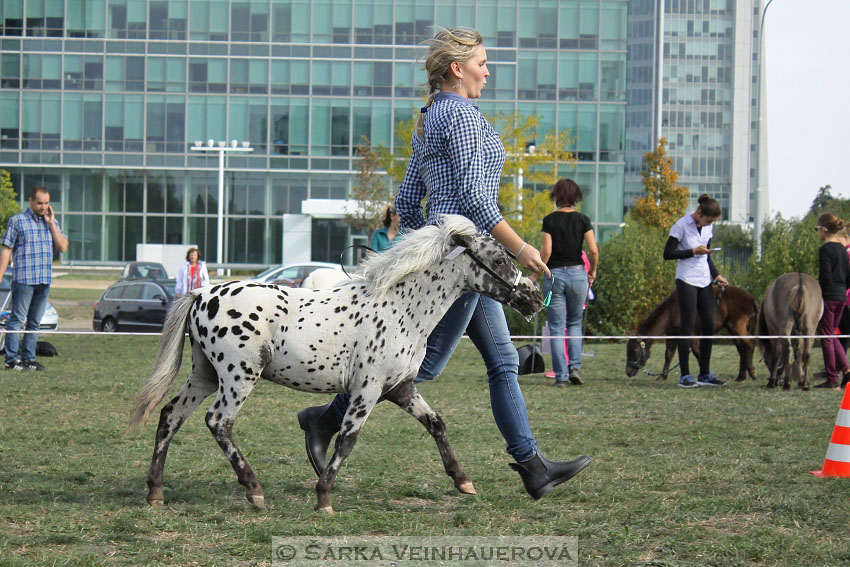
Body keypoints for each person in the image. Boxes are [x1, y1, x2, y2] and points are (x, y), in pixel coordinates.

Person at [296, 27, 591, 500]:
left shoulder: (430, 117)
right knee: (423, 366)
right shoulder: (464, 117)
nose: (488, 72)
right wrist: (520, 249)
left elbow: (408, 199)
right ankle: (324, 418)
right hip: (464, 264)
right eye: (482, 63)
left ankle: (533, 466)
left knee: (503, 360)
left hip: (452, 260)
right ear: (457, 68)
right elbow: (476, 200)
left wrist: (427, 249)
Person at [0, 186, 68, 371]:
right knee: (17, 319)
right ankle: (12, 360)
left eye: (46, 203)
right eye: (39, 203)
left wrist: (52, 223)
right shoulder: (17, 221)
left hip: (43, 280)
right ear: (30, 201)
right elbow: (7, 249)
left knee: (34, 322)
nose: (43, 206)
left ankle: (29, 359)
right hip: (24, 279)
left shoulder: (52, 223)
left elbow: (62, 247)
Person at [663, 194, 727, 388]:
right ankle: (685, 376)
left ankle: (705, 374)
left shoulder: (708, 227)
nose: (709, 224)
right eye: (707, 220)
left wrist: (716, 275)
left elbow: (706, 255)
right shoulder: (680, 226)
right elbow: (668, 254)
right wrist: (692, 252)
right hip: (686, 280)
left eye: (712, 222)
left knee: (709, 324)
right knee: (687, 326)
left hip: (704, 279)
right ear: (699, 213)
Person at [538, 179, 598, 387]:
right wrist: (593, 271)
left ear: (556, 196)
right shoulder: (583, 220)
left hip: (554, 276)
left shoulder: (549, 221)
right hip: (578, 276)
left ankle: (561, 377)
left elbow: (546, 252)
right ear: (576, 197)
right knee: (574, 324)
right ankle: (575, 367)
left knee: (556, 327)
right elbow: (593, 250)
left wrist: (537, 275)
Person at [813, 214, 850, 389]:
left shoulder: (826, 250)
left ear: (823, 229)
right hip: (842, 296)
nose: (817, 233)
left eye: (817, 229)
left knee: (826, 336)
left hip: (829, 297)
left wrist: (818, 290)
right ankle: (846, 370)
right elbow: (848, 275)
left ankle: (831, 378)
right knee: (832, 334)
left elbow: (825, 276)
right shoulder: (843, 249)